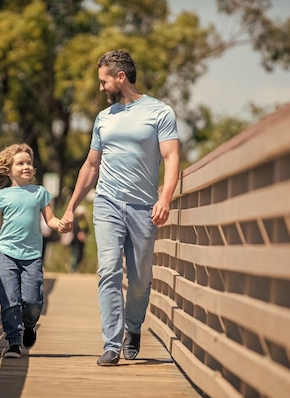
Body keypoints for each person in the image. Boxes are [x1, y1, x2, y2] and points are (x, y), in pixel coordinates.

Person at [59, 49, 180, 366]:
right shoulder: (104, 118)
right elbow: (90, 165)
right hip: (108, 203)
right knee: (108, 270)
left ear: (120, 77)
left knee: (140, 280)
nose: (101, 88)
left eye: (103, 81)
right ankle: (111, 344)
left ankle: (132, 328)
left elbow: (171, 159)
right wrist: (71, 207)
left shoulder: (159, 113)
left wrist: (165, 197)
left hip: (144, 207)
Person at [0, 143, 61, 358]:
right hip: (7, 254)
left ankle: (29, 324)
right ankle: (13, 343)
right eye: (20, 163)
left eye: (29, 163)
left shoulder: (40, 193)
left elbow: (51, 219)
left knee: (31, 301)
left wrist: (61, 224)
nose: (26, 166)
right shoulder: (2, 196)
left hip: (32, 256)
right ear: (8, 170)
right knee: (9, 299)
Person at [69, 206, 89, 272]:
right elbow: (74, 229)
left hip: (82, 242)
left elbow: (87, 229)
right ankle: (73, 267)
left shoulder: (84, 221)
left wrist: (84, 234)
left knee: (81, 255)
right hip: (75, 241)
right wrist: (78, 234)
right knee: (75, 254)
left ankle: (76, 266)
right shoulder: (75, 220)